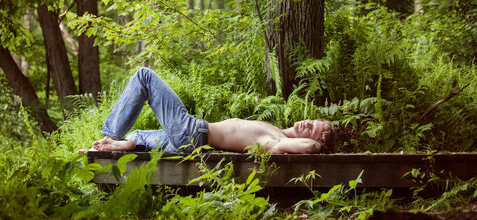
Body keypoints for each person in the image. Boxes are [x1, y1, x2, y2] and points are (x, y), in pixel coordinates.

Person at [79, 68, 337, 155]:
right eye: (312, 119)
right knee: (138, 135)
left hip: (194, 132)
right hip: (189, 141)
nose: (307, 122)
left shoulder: (276, 141)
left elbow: (311, 148)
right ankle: (113, 145)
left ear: (310, 139)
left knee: (144, 76)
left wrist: (317, 143)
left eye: (313, 128)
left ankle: (111, 135)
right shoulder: (276, 130)